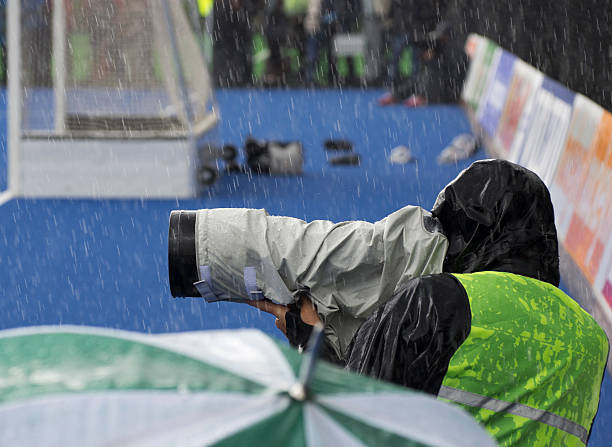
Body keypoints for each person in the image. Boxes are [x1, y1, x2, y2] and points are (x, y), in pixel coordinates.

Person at [251, 160, 609, 446]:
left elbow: (346, 417)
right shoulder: (592, 340)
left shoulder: (440, 300)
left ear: (466, 237)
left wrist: (306, 338)